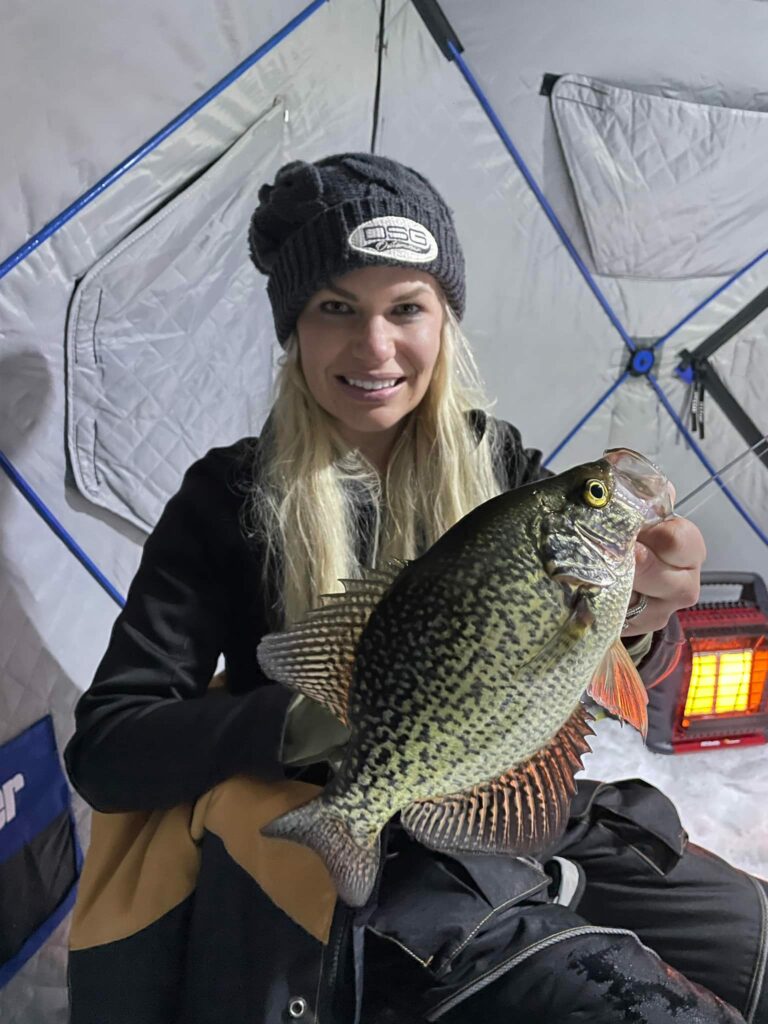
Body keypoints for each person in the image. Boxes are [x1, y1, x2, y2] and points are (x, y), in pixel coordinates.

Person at [64, 154, 763, 1024]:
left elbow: (610, 671)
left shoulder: (504, 470)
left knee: (749, 936)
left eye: (407, 308)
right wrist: (302, 721)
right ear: (294, 330)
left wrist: (643, 621)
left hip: (514, 816)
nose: (375, 348)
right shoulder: (227, 499)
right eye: (336, 309)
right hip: (365, 877)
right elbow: (106, 750)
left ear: (446, 321)